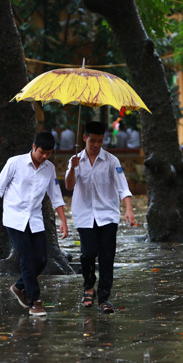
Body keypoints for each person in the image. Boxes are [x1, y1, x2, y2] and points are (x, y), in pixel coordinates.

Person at [0, 132, 68, 317]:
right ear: (34, 147)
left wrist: (64, 221)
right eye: (42, 152)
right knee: (26, 257)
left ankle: (19, 286)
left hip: (35, 220)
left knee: (41, 259)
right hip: (15, 219)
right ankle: (35, 301)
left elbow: (56, 196)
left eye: (49, 153)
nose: (44, 157)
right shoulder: (14, 163)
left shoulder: (49, 168)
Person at [65, 121, 135, 314]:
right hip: (84, 214)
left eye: (100, 141)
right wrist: (72, 168)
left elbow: (123, 188)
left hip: (108, 215)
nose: (96, 145)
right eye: (92, 140)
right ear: (84, 138)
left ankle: (104, 297)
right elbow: (69, 186)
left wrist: (128, 210)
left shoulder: (112, 161)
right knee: (87, 253)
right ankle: (89, 286)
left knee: (106, 256)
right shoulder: (76, 160)